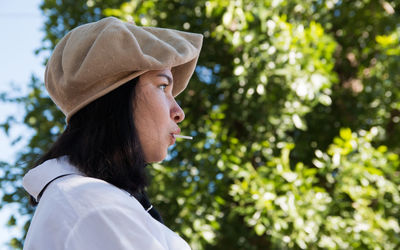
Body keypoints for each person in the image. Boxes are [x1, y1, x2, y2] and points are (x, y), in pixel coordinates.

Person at [22, 17, 203, 250]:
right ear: (117, 100)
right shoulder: (95, 207)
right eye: (162, 86)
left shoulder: (91, 202)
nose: (179, 112)